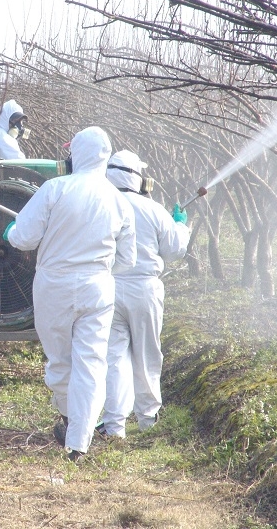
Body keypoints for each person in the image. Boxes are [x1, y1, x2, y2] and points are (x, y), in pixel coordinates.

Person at [3, 127, 136, 461]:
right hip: (98, 287)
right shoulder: (120, 201)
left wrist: (11, 232)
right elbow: (128, 260)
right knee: (91, 363)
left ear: (75, 154)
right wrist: (100, 272)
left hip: (54, 286)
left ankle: (68, 417)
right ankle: (78, 441)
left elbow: (24, 238)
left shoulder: (55, 189)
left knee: (60, 361)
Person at [96, 150, 191, 439]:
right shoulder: (153, 209)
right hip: (145, 290)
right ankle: (148, 419)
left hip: (107, 287)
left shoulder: (100, 204)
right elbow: (175, 250)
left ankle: (114, 426)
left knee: (113, 359)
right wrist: (180, 225)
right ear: (137, 178)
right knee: (147, 354)